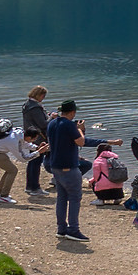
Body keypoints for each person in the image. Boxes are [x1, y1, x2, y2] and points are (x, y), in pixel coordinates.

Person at [48, 100, 86, 241]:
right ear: (72, 112)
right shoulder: (69, 125)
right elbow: (81, 142)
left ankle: (61, 228)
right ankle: (73, 229)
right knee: (75, 198)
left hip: (55, 165)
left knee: (62, 197)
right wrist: (80, 129)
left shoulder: (52, 123)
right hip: (69, 166)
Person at [0, 120, 35, 204]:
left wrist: (36, 148)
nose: (33, 141)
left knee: (10, 170)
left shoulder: (19, 132)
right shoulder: (13, 141)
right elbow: (23, 159)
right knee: (13, 171)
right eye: (34, 139)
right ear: (29, 137)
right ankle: (4, 196)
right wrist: (38, 152)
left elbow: (24, 144)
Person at [21, 88, 50, 196]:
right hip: (38, 138)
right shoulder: (35, 107)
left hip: (30, 136)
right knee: (36, 163)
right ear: (39, 95)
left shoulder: (27, 105)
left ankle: (29, 187)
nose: (43, 98)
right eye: (43, 96)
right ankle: (35, 188)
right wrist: (51, 118)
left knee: (32, 162)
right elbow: (43, 124)